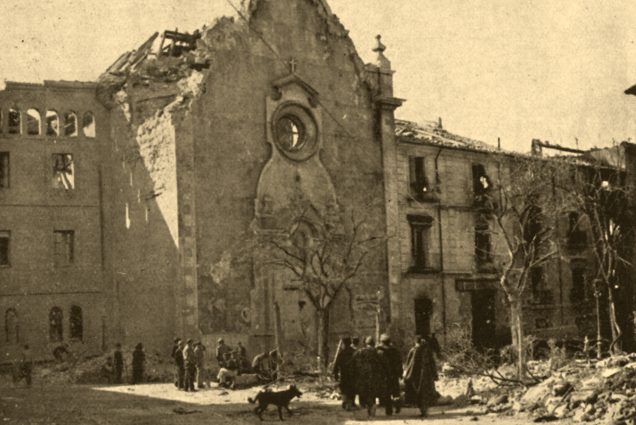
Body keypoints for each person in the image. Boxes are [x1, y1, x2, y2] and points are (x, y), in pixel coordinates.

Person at [352, 337, 387, 418]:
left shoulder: (360, 352)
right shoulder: (379, 353)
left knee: (364, 393)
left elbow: (353, 364)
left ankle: (366, 409)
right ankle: (372, 408)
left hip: (363, 377)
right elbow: (385, 366)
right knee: (373, 394)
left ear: (366, 344)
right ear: (373, 344)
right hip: (375, 377)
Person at [403, 336, 437, 417]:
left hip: (417, 375)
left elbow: (410, 364)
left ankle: (423, 410)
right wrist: (434, 374)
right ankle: (425, 410)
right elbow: (433, 363)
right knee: (426, 391)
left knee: (419, 392)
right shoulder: (428, 350)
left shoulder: (414, 350)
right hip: (427, 375)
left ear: (415, 342)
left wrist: (407, 375)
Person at [376, 334, 402, 415]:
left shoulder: (379, 352)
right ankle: (397, 404)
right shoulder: (395, 350)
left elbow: (377, 365)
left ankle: (389, 410)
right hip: (394, 375)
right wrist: (400, 373)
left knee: (387, 393)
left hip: (385, 375)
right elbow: (399, 362)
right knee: (395, 391)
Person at [332, 337, 356, 411]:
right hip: (353, 374)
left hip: (344, 374)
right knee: (352, 388)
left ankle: (345, 402)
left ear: (344, 344)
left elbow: (336, 365)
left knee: (344, 388)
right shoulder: (354, 352)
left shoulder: (342, 353)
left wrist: (335, 373)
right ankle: (351, 402)